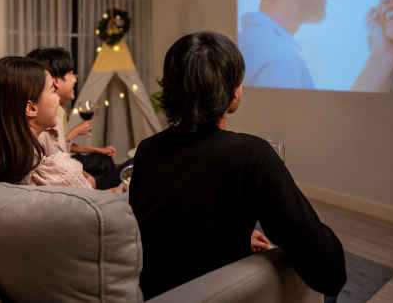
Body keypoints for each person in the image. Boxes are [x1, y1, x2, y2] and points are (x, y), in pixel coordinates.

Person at [129, 32, 346, 301]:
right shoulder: (252, 155)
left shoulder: (147, 150)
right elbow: (327, 269)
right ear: (232, 94)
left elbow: (170, 231)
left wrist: (239, 236)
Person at [0, 56, 125, 193]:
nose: (57, 99)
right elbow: (93, 204)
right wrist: (117, 193)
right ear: (31, 108)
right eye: (53, 90)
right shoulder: (54, 172)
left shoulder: (0, 159)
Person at [27, 47, 132, 189]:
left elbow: (59, 152)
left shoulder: (53, 116)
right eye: (70, 73)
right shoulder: (48, 118)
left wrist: (95, 151)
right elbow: (58, 155)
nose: (75, 79)